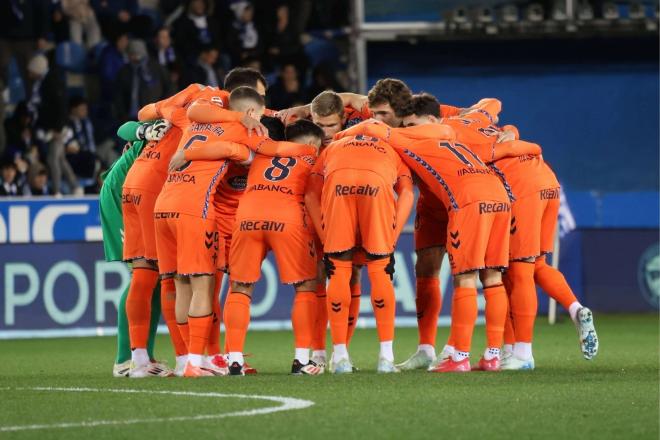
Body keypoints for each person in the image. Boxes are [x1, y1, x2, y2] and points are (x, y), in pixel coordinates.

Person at [338, 94, 512, 372]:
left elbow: (373, 128)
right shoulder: (457, 133)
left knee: (465, 278)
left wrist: (340, 138)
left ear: (428, 121)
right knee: (492, 277)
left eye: (411, 124)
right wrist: (511, 134)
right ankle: (492, 355)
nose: (406, 129)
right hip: (498, 197)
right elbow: (491, 109)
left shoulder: (411, 140)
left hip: (467, 201)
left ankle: (460, 358)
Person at [155, 86, 315, 377]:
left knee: (183, 284)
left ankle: (196, 359)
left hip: (164, 204)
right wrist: (311, 150)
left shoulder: (192, 123)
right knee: (205, 285)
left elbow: (171, 110)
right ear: (252, 113)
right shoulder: (245, 130)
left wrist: (183, 147)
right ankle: (197, 361)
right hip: (198, 208)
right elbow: (264, 149)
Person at [305, 124, 414, 374]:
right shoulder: (392, 147)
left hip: (339, 187)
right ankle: (386, 359)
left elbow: (310, 194)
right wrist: (392, 237)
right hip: (376, 186)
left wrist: (326, 237)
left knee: (339, 270)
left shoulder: (331, 147)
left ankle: (340, 357)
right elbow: (407, 193)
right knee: (379, 268)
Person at [217, 119, 324, 375]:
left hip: (247, 217)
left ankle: (234, 360)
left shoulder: (262, 152)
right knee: (306, 286)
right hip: (287, 218)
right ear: (311, 143)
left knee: (240, 287)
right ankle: (301, 360)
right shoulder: (311, 155)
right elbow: (313, 196)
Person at [99, 119, 169, 377]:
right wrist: (145, 130)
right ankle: (123, 360)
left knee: (158, 279)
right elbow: (123, 128)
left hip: (143, 197)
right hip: (121, 197)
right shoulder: (173, 121)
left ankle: (144, 357)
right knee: (143, 274)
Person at [114, 39, 172, 122]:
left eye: (137, 54)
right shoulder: (124, 72)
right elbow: (118, 95)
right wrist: (122, 114)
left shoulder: (156, 68)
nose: (135, 57)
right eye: (132, 54)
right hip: (130, 117)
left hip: (153, 115)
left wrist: (161, 110)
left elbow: (169, 88)